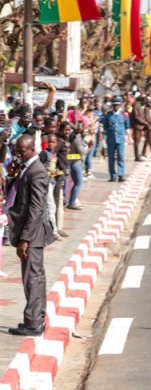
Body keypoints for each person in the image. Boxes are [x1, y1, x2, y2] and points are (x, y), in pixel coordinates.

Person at [6, 133, 55, 336]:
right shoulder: (26, 168)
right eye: (16, 151)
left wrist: (25, 239)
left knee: (32, 278)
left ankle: (33, 324)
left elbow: (36, 208)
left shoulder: (37, 172)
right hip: (29, 233)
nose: (18, 154)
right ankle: (37, 318)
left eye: (21, 151)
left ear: (31, 148)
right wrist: (13, 173)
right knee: (36, 277)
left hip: (32, 235)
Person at [99, 98, 130, 182]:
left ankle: (121, 175)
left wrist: (126, 136)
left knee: (120, 157)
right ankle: (112, 175)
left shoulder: (124, 115)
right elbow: (105, 126)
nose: (116, 107)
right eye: (114, 105)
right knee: (111, 158)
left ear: (120, 105)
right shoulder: (108, 115)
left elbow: (127, 126)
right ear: (112, 106)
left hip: (120, 139)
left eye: (117, 105)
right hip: (111, 139)